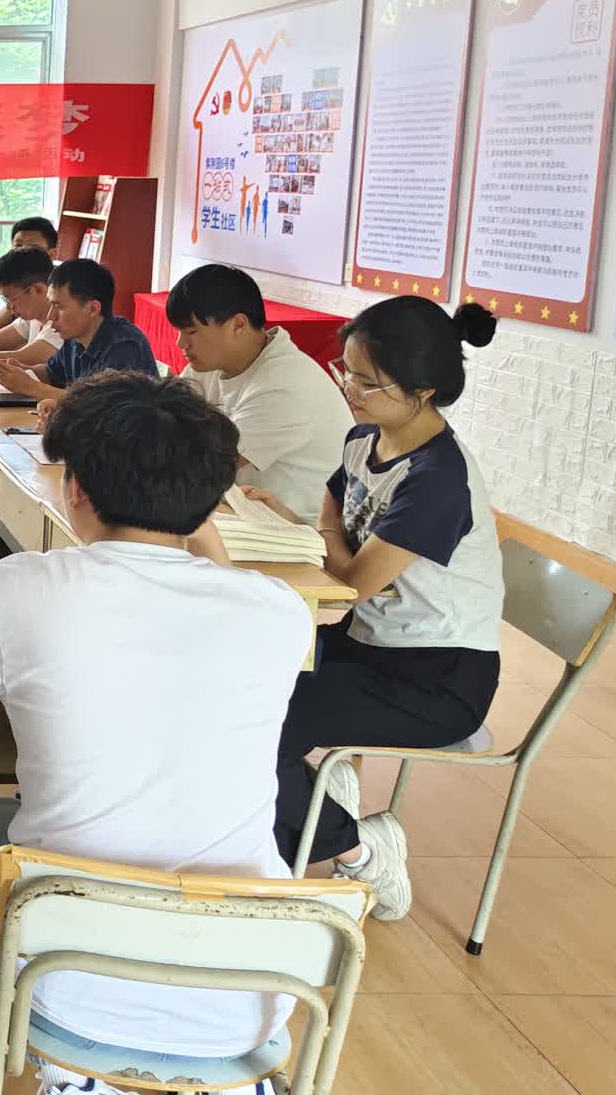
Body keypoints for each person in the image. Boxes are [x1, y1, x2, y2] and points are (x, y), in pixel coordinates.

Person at [0, 372, 310, 1088]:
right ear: (208, 501)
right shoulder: (280, 612)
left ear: (76, 489)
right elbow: (227, 593)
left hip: (69, 989)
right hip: (252, 996)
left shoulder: (20, 588)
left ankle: (55, 1057)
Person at [247, 296, 503, 920]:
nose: (350, 390)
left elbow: (354, 581)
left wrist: (319, 539)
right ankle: (308, 803)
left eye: (368, 382)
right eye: (346, 371)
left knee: (257, 723)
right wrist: (315, 532)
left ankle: (358, 850)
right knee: (239, 674)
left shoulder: (438, 479)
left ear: (424, 390)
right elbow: (333, 503)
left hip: (437, 678)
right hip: (370, 646)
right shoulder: (366, 437)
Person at [166, 263, 348, 515]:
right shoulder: (208, 364)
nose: (181, 343)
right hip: (244, 509)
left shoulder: (283, 387)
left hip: (297, 526)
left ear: (238, 325)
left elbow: (203, 471)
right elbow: (167, 427)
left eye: (191, 331)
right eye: (179, 332)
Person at [0, 257, 156, 406]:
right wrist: (23, 371)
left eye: (59, 306)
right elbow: (51, 374)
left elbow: (99, 407)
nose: (50, 316)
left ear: (92, 309)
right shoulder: (74, 336)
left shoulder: (125, 346)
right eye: (50, 305)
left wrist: (31, 387)